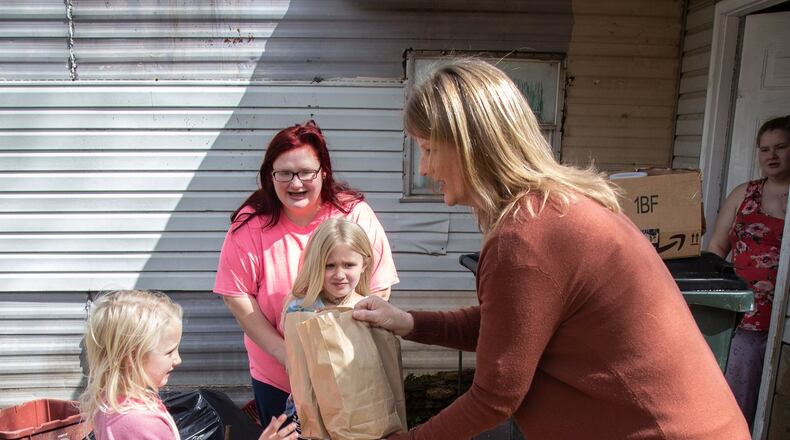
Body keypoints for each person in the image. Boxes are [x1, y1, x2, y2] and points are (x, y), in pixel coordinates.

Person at [352, 59, 749, 439]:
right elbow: (512, 328)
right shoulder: (558, 207)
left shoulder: (525, 239)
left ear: (470, 146)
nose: (423, 168)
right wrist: (408, 323)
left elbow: (494, 396)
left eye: (427, 149)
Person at [213, 120, 399, 426]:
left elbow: (379, 286)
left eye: (306, 173)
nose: (295, 184)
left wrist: (345, 346)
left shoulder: (353, 214)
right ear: (269, 176)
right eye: (284, 173)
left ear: (323, 171)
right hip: (278, 374)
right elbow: (238, 299)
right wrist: (289, 356)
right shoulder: (250, 223)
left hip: (348, 369)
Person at [79, 289, 298, 440]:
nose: (178, 359)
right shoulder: (139, 423)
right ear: (132, 357)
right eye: (169, 352)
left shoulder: (114, 404)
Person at [706, 115, 790, 428]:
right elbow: (716, 246)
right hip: (744, 315)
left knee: (775, 403)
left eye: (781, 147)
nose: (772, 155)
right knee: (737, 395)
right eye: (765, 149)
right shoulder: (745, 194)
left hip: (782, 318)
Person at [280, 218, 377, 436]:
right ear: (315, 265)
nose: (340, 274)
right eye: (329, 266)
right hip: (309, 410)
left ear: (365, 265)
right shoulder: (301, 308)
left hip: (359, 411)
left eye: (349, 265)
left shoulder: (369, 308)